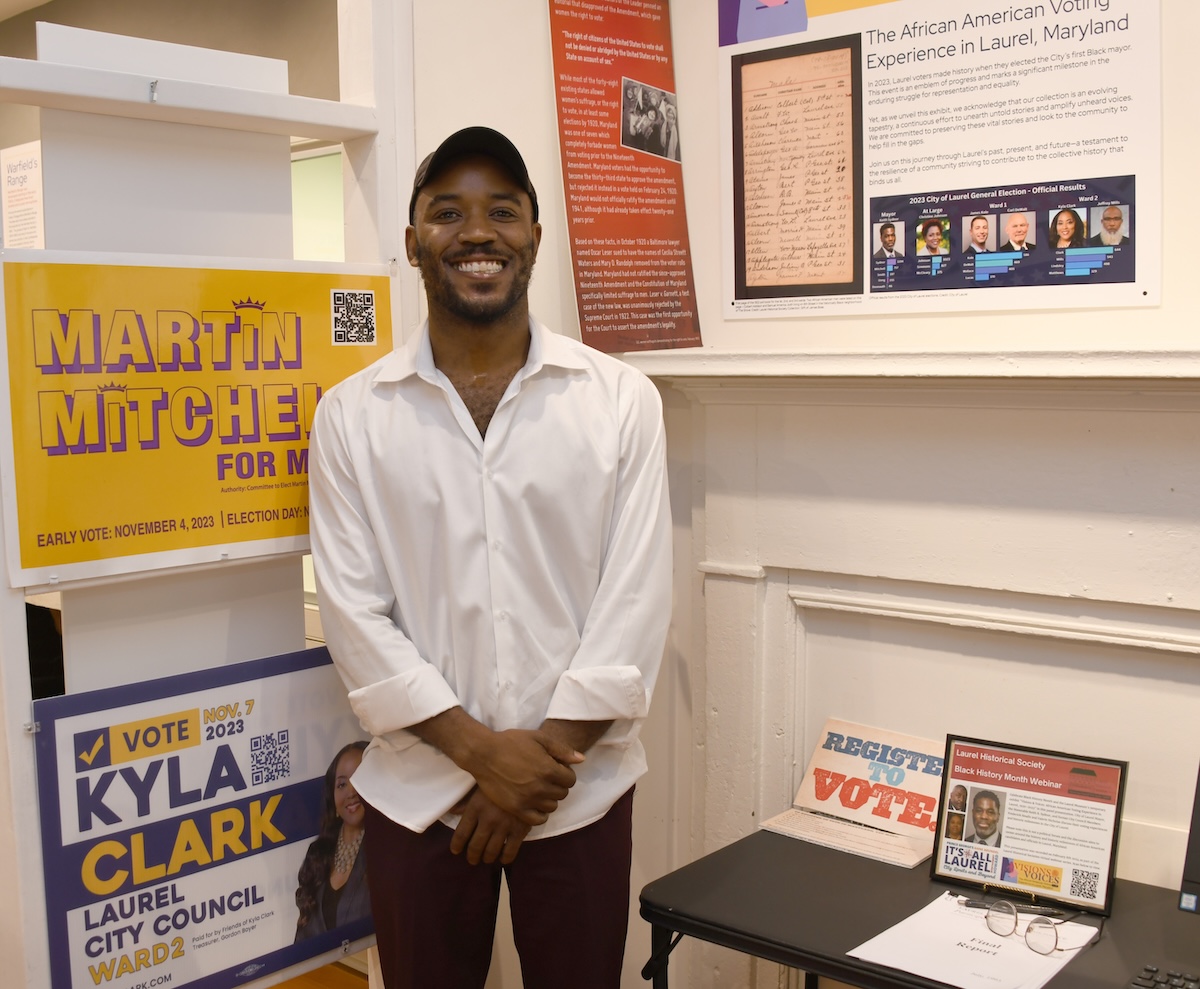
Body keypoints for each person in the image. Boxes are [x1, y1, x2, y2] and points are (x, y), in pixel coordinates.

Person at [308, 126, 672, 989]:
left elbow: (635, 598)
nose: (478, 233)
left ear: (534, 237)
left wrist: (528, 773)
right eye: (448, 213)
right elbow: (356, 616)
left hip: (575, 793)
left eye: (502, 211)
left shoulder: (620, 401)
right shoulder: (353, 415)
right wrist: (484, 757)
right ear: (412, 242)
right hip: (417, 794)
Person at [294, 741, 371, 941]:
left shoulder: (388, 851)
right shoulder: (317, 853)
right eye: (342, 784)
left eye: (361, 779)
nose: (351, 792)